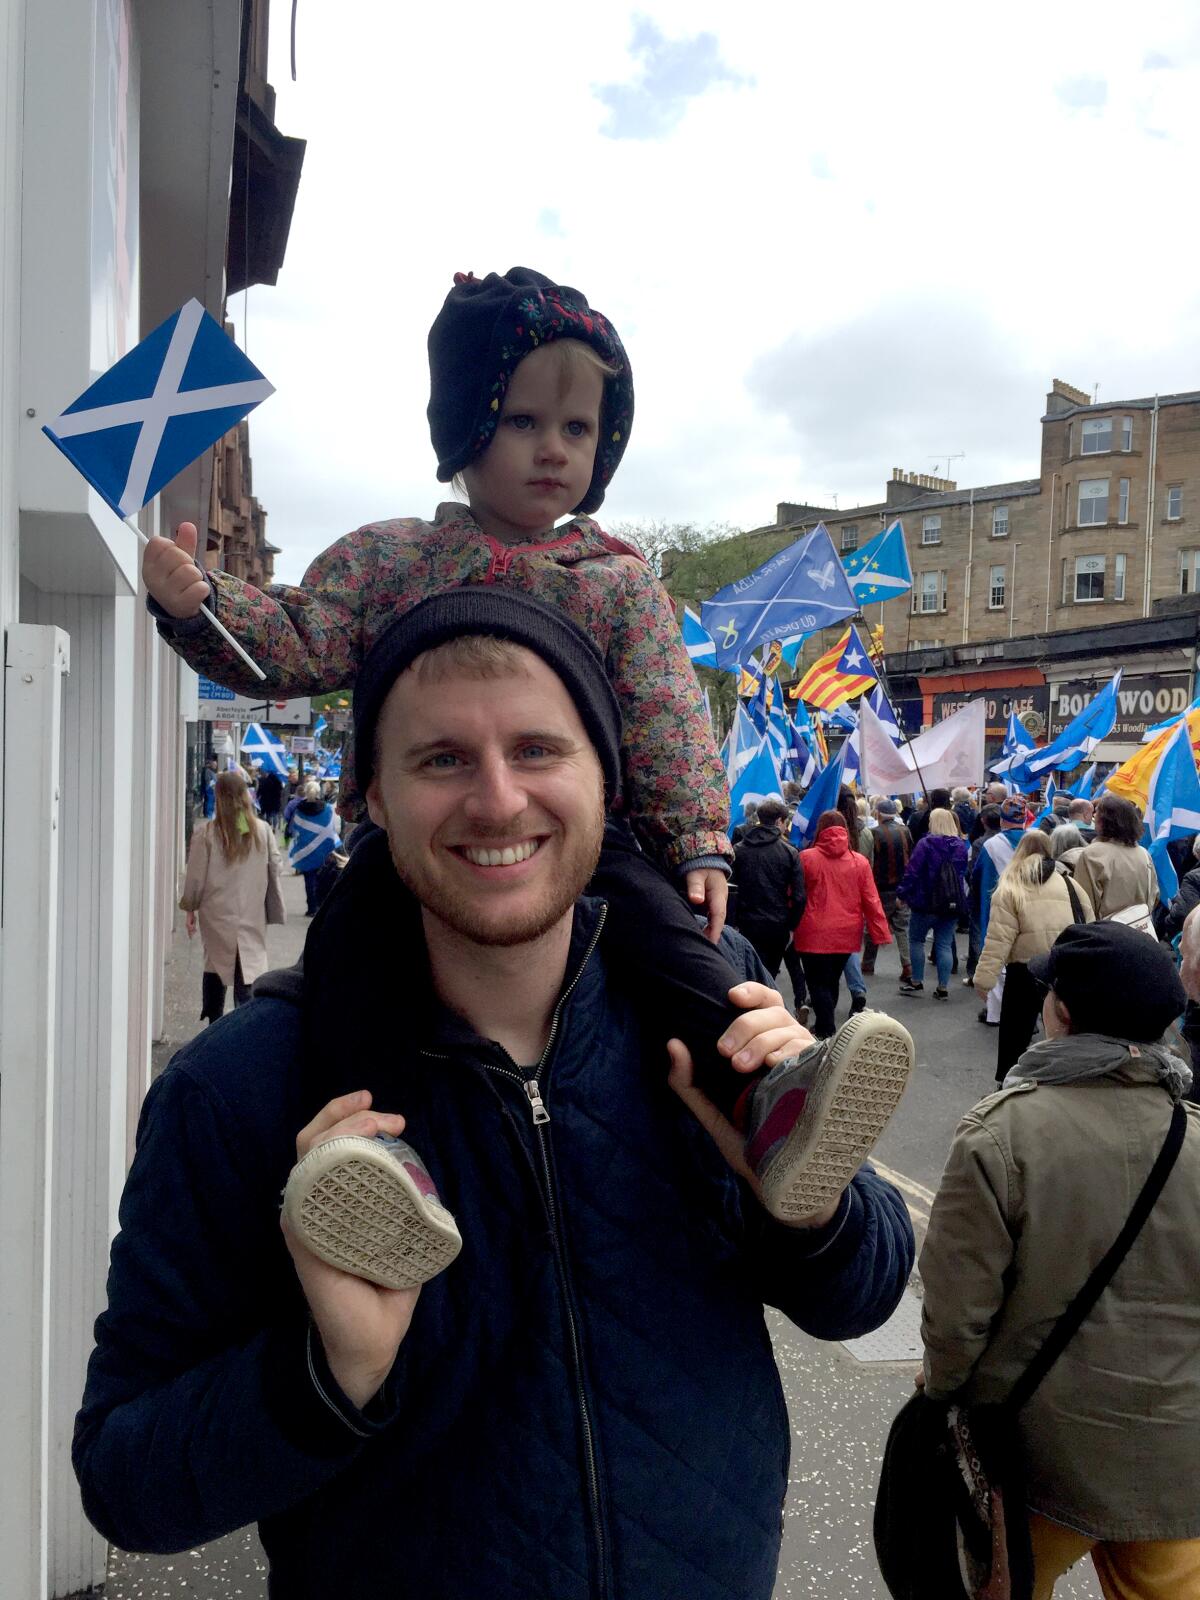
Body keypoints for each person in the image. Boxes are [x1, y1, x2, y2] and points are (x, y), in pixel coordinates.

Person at [75, 600, 915, 1599]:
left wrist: (811, 1214)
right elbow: (125, 1479)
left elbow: (865, 1294)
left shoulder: (709, 1002)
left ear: (605, 778)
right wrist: (330, 1373)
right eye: (442, 760)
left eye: (536, 749)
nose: (499, 800)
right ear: (373, 796)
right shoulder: (238, 1086)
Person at [138, 264, 766, 1117]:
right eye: (523, 421)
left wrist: (696, 837)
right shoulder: (391, 561)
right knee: (346, 961)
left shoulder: (618, 580)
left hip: (594, 840)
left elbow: (667, 714)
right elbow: (299, 637)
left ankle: (770, 1095)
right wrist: (204, 605)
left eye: (578, 427)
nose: (554, 448)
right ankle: (357, 1151)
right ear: (468, 427)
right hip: (408, 845)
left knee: (682, 947)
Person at [920, 923, 1200, 1600]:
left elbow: (957, 1315)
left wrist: (944, 1400)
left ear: (1062, 1014)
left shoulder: (1000, 1134)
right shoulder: (1193, 1134)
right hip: (1177, 1462)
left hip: (1037, 1459)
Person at [974, 831, 1094, 1082]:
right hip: (1064, 967)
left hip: (1024, 970)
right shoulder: (1070, 883)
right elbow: (1089, 924)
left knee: (1014, 1035)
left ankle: (1009, 1084)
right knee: (1062, 1034)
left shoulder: (1010, 887)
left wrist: (984, 979)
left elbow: (999, 938)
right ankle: (1063, 1081)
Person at [179, 768, 286, 1021]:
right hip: (251, 909)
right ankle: (245, 1023)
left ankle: (214, 1020)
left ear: (218, 795)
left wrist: (190, 909)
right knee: (248, 966)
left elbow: (195, 876)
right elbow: (276, 866)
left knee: (215, 963)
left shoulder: (207, 833)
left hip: (216, 912)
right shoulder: (262, 830)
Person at [792, 809, 892, 1038]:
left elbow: (794, 895)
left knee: (817, 983)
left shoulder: (806, 858)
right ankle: (824, 1025)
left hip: (812, 931)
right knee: (831, 980)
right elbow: (871, 899)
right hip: (846, 932)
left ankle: (826, 1029)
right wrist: (880, 933)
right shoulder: (860, 862)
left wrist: (789, 923)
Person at [895, 808, 968, 1000]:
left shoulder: (925, 843)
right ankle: (943, 987)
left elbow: (913, 871)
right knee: (944, 943)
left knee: (916, 940)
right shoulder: (960, 845)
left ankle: (917, 981)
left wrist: (902, 893)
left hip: (925, 901)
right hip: (952, 901)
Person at [731, 797, 805, 978]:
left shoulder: (739, 850)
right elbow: (799, 896)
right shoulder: (790, 852)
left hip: (746, 922)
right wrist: (792, 926)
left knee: (747, 972)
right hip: (777, 924)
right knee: (769, 975)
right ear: (779, 821)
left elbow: (731, 889)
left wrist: (733, 922)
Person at [1072, 793, 1157, 920]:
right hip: (1140, 931)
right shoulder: (1144, 854)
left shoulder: (1092, 854)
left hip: (1105, 934)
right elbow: (1154, 896)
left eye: (1098, 812)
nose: (1094, 816)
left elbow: (1083, 904)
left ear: (1106, 820)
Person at [862, 798, 912, 983]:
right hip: (902, 886)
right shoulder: (905, 831)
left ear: (878, 814)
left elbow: (868, 860)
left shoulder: (873, 833)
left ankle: (868, 963)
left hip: (881, 887)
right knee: (902, 928)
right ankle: (907, 965)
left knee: (873, 925)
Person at [288, 779, 342, 915]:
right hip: (324, 849)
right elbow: (334, 828)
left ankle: (311, 907)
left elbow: (293, 829)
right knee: (322, 878)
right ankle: (321, 906)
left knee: (309, 879)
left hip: (304, 849)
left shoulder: (299, 809)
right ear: (319, 792)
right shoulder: (328, 809)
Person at [964, 803, 1000, 987]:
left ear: (984, 821)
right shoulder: (1004, 840)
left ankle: (976, 973)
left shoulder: (980, 843)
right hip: (1002, 894)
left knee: (978, 933)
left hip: (982, 895)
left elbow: (973, 871)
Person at [256, 765, 285, 831]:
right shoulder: (278, 782)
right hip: (275, 801)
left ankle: (268, 826)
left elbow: (260, 790)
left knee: (268, 814)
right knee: (275, 815)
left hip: (266, 801)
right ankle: (274, 828)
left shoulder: (264, 781)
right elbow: (281, 791)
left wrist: (257, 796)